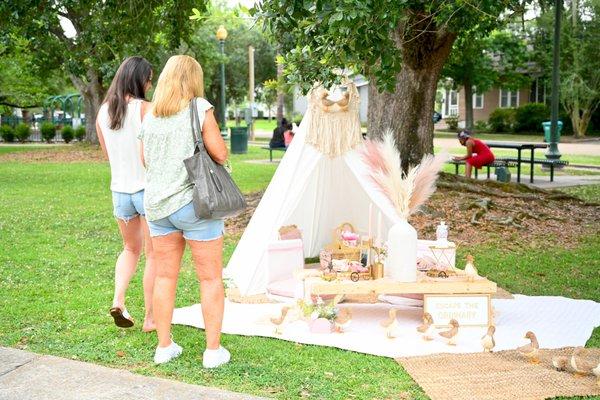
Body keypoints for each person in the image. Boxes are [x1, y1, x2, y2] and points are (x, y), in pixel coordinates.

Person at [138, 55, 230, 368]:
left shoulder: (150, 115)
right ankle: (213, 352)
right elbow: (219, 152)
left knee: (164, 276)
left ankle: (164, 346)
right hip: (195, 204)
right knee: (209, 278)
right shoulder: (199, 107)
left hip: (158, 207)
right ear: (193, 79)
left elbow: (145, 160)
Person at [96, 56, 156, 332]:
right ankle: (150, 318)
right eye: (149, 78)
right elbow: (152, 154)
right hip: (145, 189)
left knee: (130, 249)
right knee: (152, 256)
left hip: (119, 191)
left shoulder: (102, 112)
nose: (151, 83)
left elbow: (108, 155)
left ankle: (118, 300)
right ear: (138, 79)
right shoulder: (145, 109)